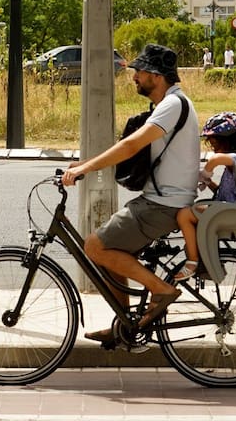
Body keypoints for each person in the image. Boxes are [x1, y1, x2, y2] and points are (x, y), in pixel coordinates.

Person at [61, 43, 199, 345]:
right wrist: (86, 163)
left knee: (95, 247)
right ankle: (124, 326)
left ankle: (161, 289)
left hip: (162, 205)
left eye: (141, 72)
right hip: (162, 200)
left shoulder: (172, 105)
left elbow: (131, 146)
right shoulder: (172, 103)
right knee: (110, 252)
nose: (135, 77)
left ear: (157, 76)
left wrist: (85, 169)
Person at [172, 112, 236, 281]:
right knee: (194, 211)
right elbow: (229, 192)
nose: (211, 145)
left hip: (225, 213)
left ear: (227, 139)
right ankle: (205, 259)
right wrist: (210, 183)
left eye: (214, 141)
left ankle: (192, 262)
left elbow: (215, 159)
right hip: (228, 209)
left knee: (183, 215)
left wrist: (206, 172)